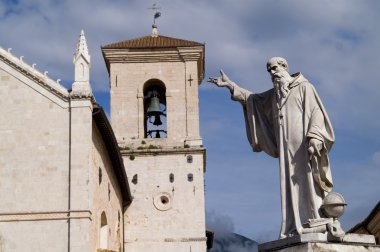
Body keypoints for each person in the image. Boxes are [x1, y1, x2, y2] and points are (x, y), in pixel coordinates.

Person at [208, 57, 335, 238]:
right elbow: (252, 99)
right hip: (286, 148)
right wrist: (230, 85)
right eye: (269, 70)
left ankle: (315, 218)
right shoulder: (275, 95)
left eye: (275, 68)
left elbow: (316, 113)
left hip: (304, 145)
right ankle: (294, 223)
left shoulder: (304, 88)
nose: (272, 73)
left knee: (307, 180)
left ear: (284, 67)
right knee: (289, 185)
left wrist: (315, 137)